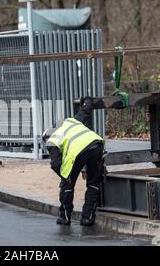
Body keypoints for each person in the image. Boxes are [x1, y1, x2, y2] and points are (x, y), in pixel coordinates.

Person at [43, 97, 105, 226]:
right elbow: (86, 110)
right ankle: (87, 217)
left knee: (67, 185)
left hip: (78, 152)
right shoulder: (72, 122)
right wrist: (87, 100)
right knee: (93, 182)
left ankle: (65, 217)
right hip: (96, 144)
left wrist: (66, 178)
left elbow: (56, 164)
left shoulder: (52, 141)